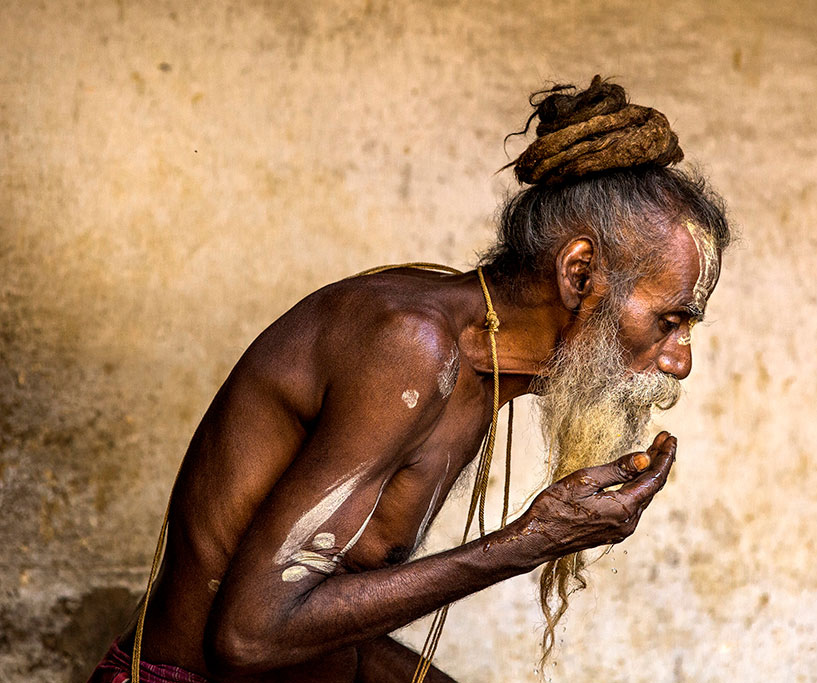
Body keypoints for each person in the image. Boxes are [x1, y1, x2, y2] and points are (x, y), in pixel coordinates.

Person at [88, 75, 730, 683]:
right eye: (669, 321)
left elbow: (335, 628)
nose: (679, 361)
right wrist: (531, 541)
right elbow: (248, 639)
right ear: (581, 275)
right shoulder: (413, 349)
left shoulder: (481, 366)